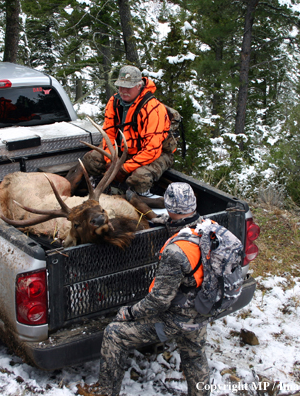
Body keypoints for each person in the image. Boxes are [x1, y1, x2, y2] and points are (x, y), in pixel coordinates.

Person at [77, 183, 221, 396]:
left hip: (175, 318)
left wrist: (130, 312)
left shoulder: (176, 251)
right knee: (195, 355)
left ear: (169, 206)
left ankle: (106, 391)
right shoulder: (210, 228)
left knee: (114, 333)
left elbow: (159, 302)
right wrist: (153, 219)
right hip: (201, 309)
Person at [81, 65, 177, 196]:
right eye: (121, 86)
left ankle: (143, 198)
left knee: (139, 179)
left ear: (139, 86)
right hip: (123, 150)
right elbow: (108, 134)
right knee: (90, 160)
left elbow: (152, 150)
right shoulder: (114, 102)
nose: (123, 90)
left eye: (128, 87)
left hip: (155, 154)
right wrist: (111, 161)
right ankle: (98, 187)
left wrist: (124, 169)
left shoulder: (153, 109)